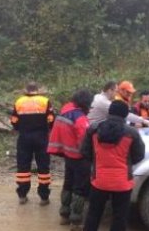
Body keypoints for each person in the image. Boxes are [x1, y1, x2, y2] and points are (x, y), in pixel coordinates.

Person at [81, 100, 145, 231]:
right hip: (122, 182)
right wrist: (126, 162)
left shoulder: (93, 129)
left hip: (99, 180)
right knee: (119, 217)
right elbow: (139, 155)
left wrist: (97, 160)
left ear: (109, 112)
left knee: (93, 214)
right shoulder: (132, 133)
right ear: (126, 114)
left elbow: (84, 152)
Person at [47, 89, 93, 229]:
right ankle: (76, 220)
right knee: (80, 188)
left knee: (68, 184)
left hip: (67, 154)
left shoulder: (65, 110)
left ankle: (64, 215)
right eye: (89, 105)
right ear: (84, 103)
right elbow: (85, 140)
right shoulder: (80, 118)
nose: (90, 108)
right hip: (80, 157)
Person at [10, 82, 55, 206]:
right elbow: (51, 119)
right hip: (41, 137)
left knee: (23, 167)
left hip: (24, 137)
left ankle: (22, 195)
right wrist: (46, 128)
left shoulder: (19, 101)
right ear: (37, 90)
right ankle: (44, 197)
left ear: (26, 90)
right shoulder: (45, 101)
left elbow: (13, 121)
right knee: (43, 167)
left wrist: (21, 128)